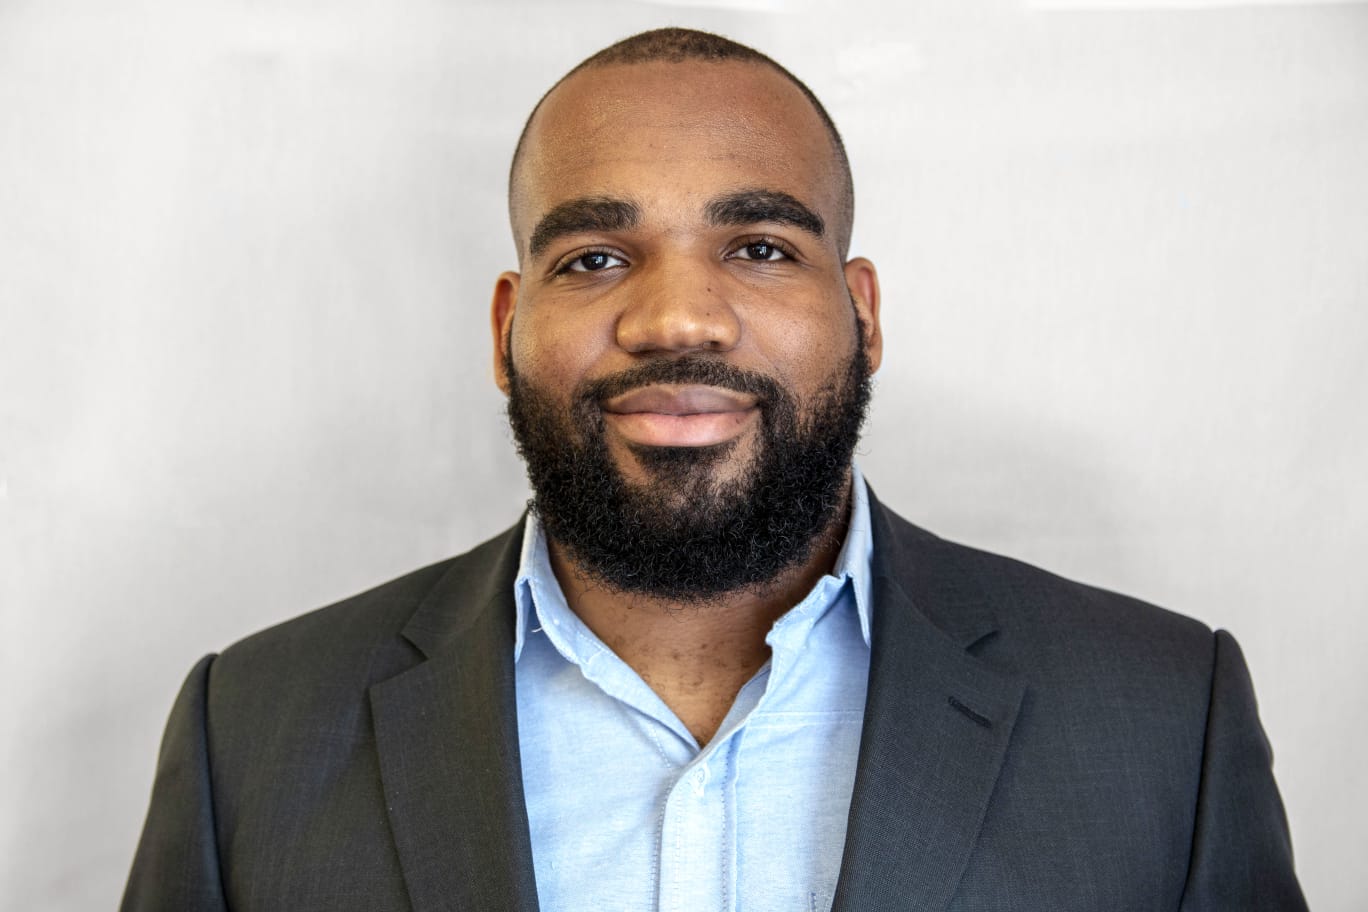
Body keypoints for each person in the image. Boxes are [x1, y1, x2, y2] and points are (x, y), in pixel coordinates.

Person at [122, 28, 1307, 912]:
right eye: (595, 258)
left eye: (759, 246)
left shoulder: (1165, 721)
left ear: (863, 315)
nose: (678, 318)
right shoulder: (252, 733)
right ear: (504, 329)